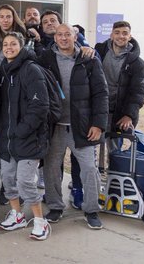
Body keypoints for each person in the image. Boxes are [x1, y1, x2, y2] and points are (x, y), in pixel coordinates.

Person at [38, 23, 108, 230]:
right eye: (59, 35)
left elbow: (101, 93)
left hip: (82, 126)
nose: (63, 38)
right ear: (55, 37)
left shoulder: (89, 59)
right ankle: (55, 206)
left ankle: (92, 209)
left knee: (89, 169)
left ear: (75, 36)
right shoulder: (45, 59)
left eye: (67, 34)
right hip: (55, 126)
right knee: (51, 169)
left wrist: (98, 124)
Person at [0, 32, 51, 240]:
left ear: (21, 46)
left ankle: (39, 221)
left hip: (28, 138)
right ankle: (17, 215)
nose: (9, 47)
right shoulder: (3, 71)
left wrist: (21, 130)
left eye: (13, 44)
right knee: (8, 179)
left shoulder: (31, 69)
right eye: (5, 44)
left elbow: (40, 105)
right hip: (7, 138)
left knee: (25, 182)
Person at [95, 20, 144, 167]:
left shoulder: (137, 63)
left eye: (125, 33)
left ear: (130, 36)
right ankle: (90, 179)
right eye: (117, 33)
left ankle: (113, 180)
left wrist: (129, 115)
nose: (121, 36)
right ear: (111, 35)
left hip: (119, 112)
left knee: (114, 150)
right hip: (98, 108)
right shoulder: (100, 51)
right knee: (89, 147)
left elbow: (138, 91)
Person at [0, 4, 27, 73]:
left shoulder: (22, 34)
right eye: (1, 17)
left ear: (13, 18)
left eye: (8, 17)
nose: (5, 20)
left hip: (15, 73)